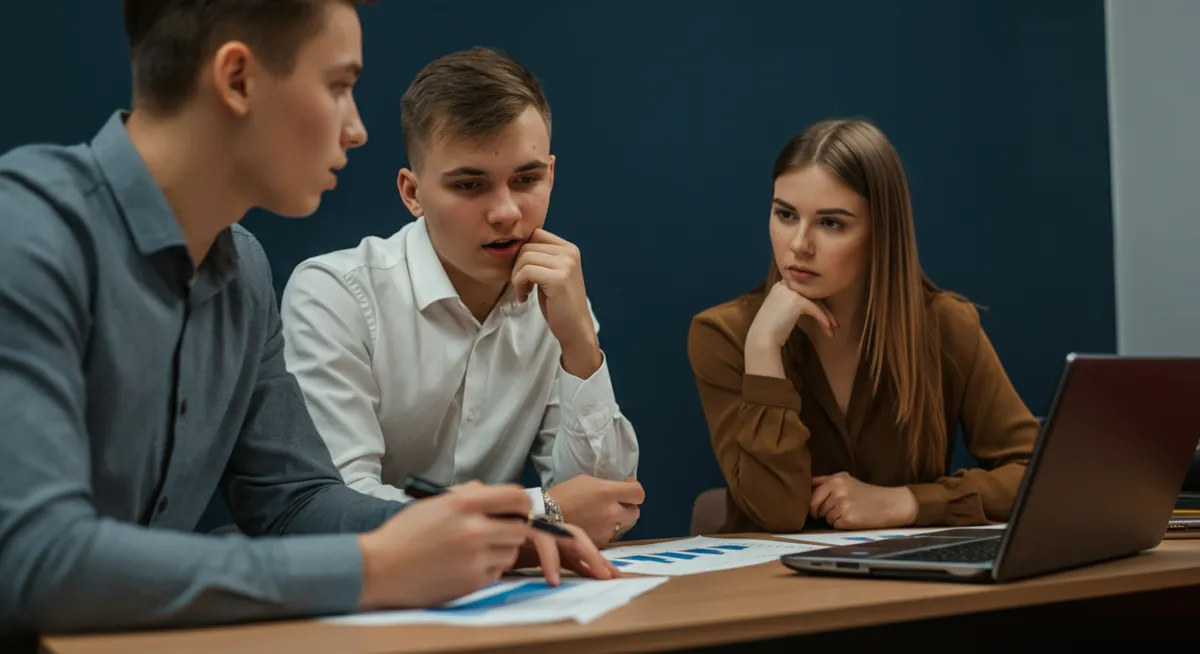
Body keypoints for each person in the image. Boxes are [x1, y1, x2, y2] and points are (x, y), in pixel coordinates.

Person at [0, 0, 615, 638]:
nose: (356, 129)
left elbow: (295, 501)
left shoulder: (244, 269)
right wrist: (371, 565)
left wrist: (498, 535)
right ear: (237, 80)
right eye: (339, 86)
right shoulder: (26, 233)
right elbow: (34, 560)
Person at [279, 46, 644, 547]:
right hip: (362, 597)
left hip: (498, 595)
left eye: (527, 179)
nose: (505, 212)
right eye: (470, 184)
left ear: (551, 174)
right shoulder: (334, 295)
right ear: (412, 193)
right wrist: (544, 511)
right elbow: (342, 508)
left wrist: (581, 344)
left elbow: (609, 508)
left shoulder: (556, 297)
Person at [686, 118, 1038, 534]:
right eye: (785, 214)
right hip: (775, 588)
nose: (799, 244)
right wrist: (763, 348)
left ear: (881, 233)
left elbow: (1037, 473)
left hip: (914, 584)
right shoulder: (724, 334)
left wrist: (909, 502)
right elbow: (777, 515)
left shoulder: (945, 325)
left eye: (831, 222)